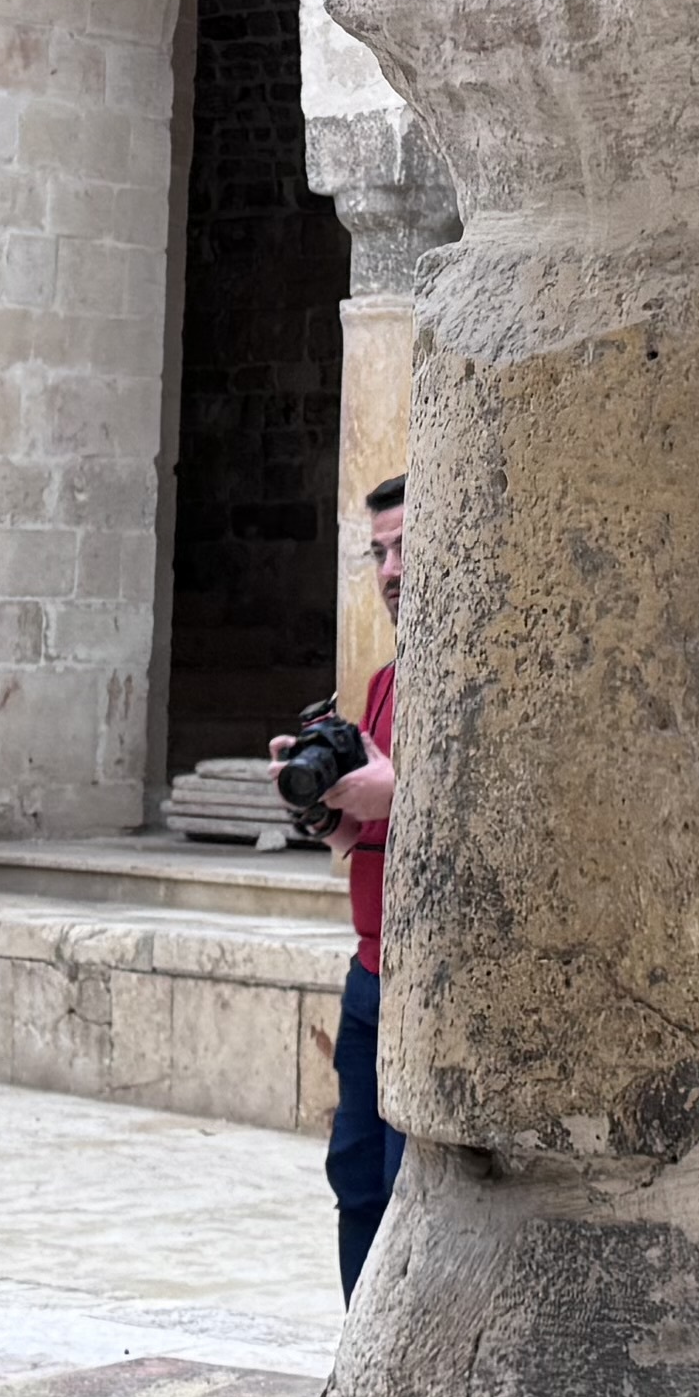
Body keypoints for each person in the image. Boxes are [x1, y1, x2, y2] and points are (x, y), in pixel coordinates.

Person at [298, 477, 408, 1298]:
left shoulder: (485, 682)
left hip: (428, 984)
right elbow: (377, 831)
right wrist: (337, 818)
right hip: (369, 974)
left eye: (407, 547)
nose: (391, 570)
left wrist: (395, 792)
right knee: (358, 1181)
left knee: (411, 1191)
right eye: (379, 553)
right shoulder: (383, 683)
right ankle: (359, 1356)